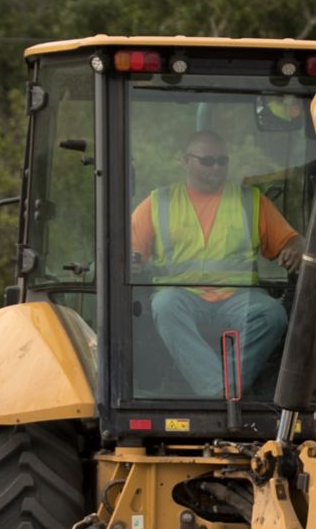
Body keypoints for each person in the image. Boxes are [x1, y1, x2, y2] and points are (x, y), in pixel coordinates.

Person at [129, 130, 303, 397]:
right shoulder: (158, 203)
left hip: (240, 298)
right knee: (164, 306)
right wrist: (132, 263)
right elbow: (129, 254)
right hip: (182, 297)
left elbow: (290, 242)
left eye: (222, 161)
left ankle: (228, 382)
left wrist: (294, 248)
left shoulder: (249, 201)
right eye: (208, 161)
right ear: (186, 161)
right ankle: (217, 390)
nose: (217, 168)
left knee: (272, 314)